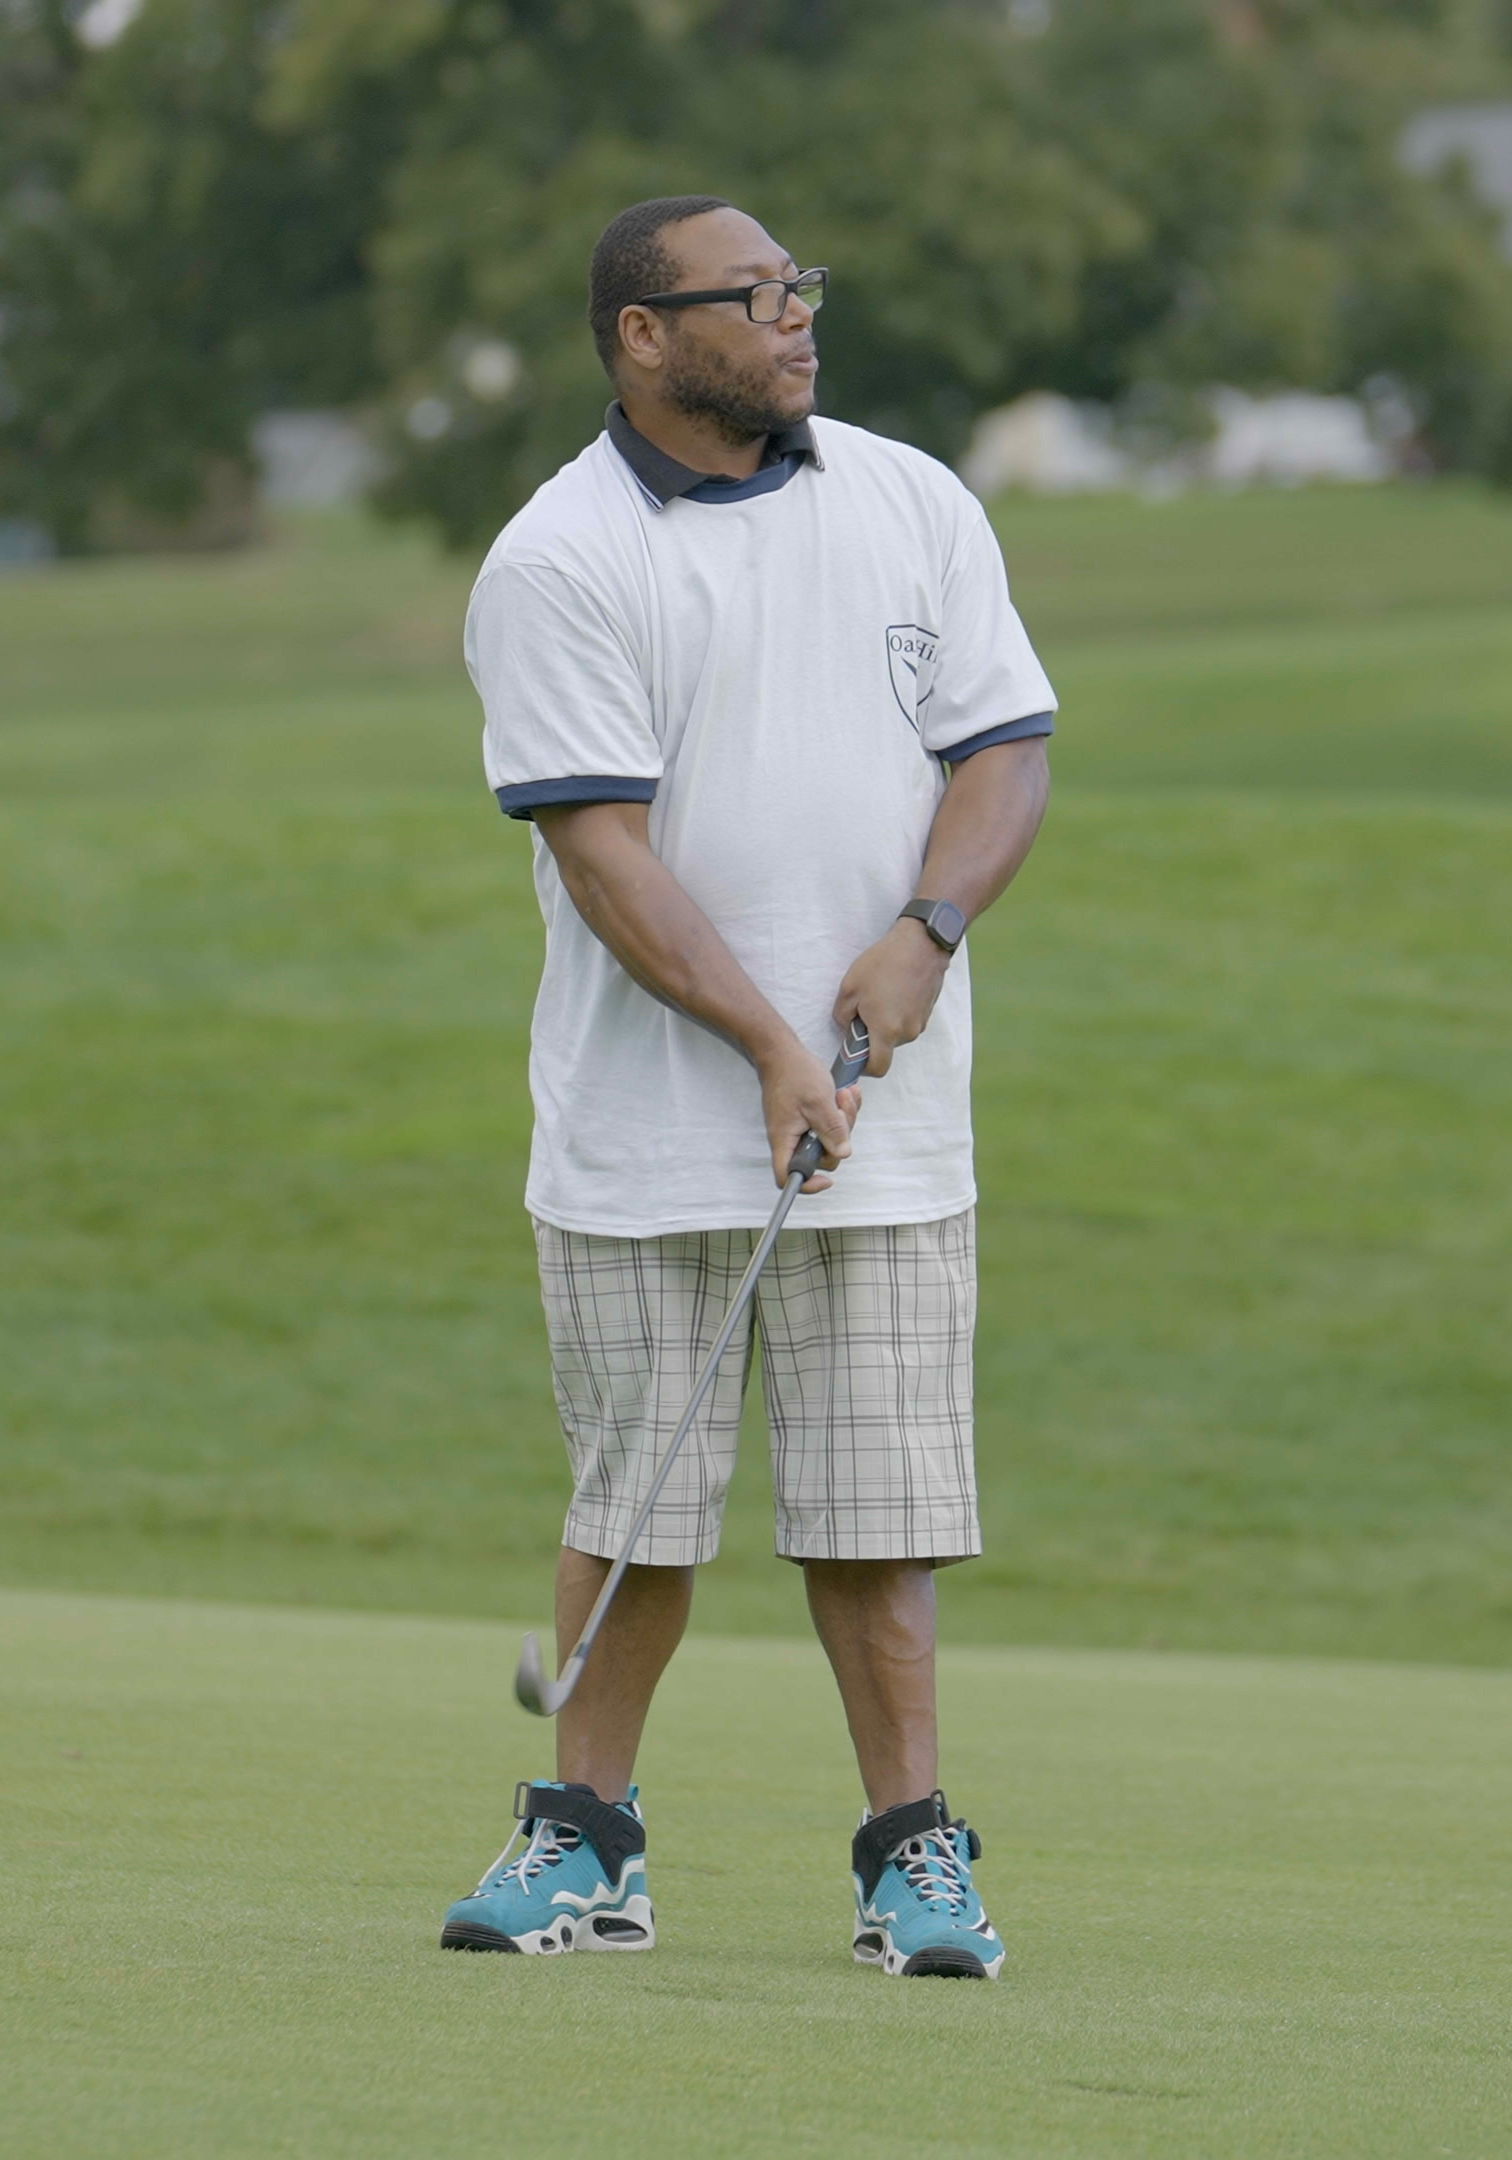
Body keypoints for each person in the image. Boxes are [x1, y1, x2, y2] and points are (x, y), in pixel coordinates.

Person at [436, 197, 1056, 1979]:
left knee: (880, 1526)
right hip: (644, 1137)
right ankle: (586, 1845)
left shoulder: (912, 498)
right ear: (644, 333)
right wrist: (772, 1044)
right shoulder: (559, 558)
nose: (796, 319)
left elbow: (1004, 753)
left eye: (801, 288)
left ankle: (912, 1859)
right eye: (755, 295)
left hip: (885, 1129)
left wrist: (928, 931)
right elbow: (604, 857)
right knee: (634, 1516)